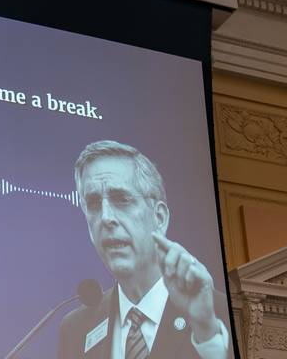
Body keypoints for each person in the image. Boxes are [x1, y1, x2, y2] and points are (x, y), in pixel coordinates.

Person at [58, 140, 230, 359]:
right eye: (93, 203)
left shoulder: (217, 313)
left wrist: (207, 334)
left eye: (122, 199)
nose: (106, 217)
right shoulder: (75, 328)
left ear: (159, 217)